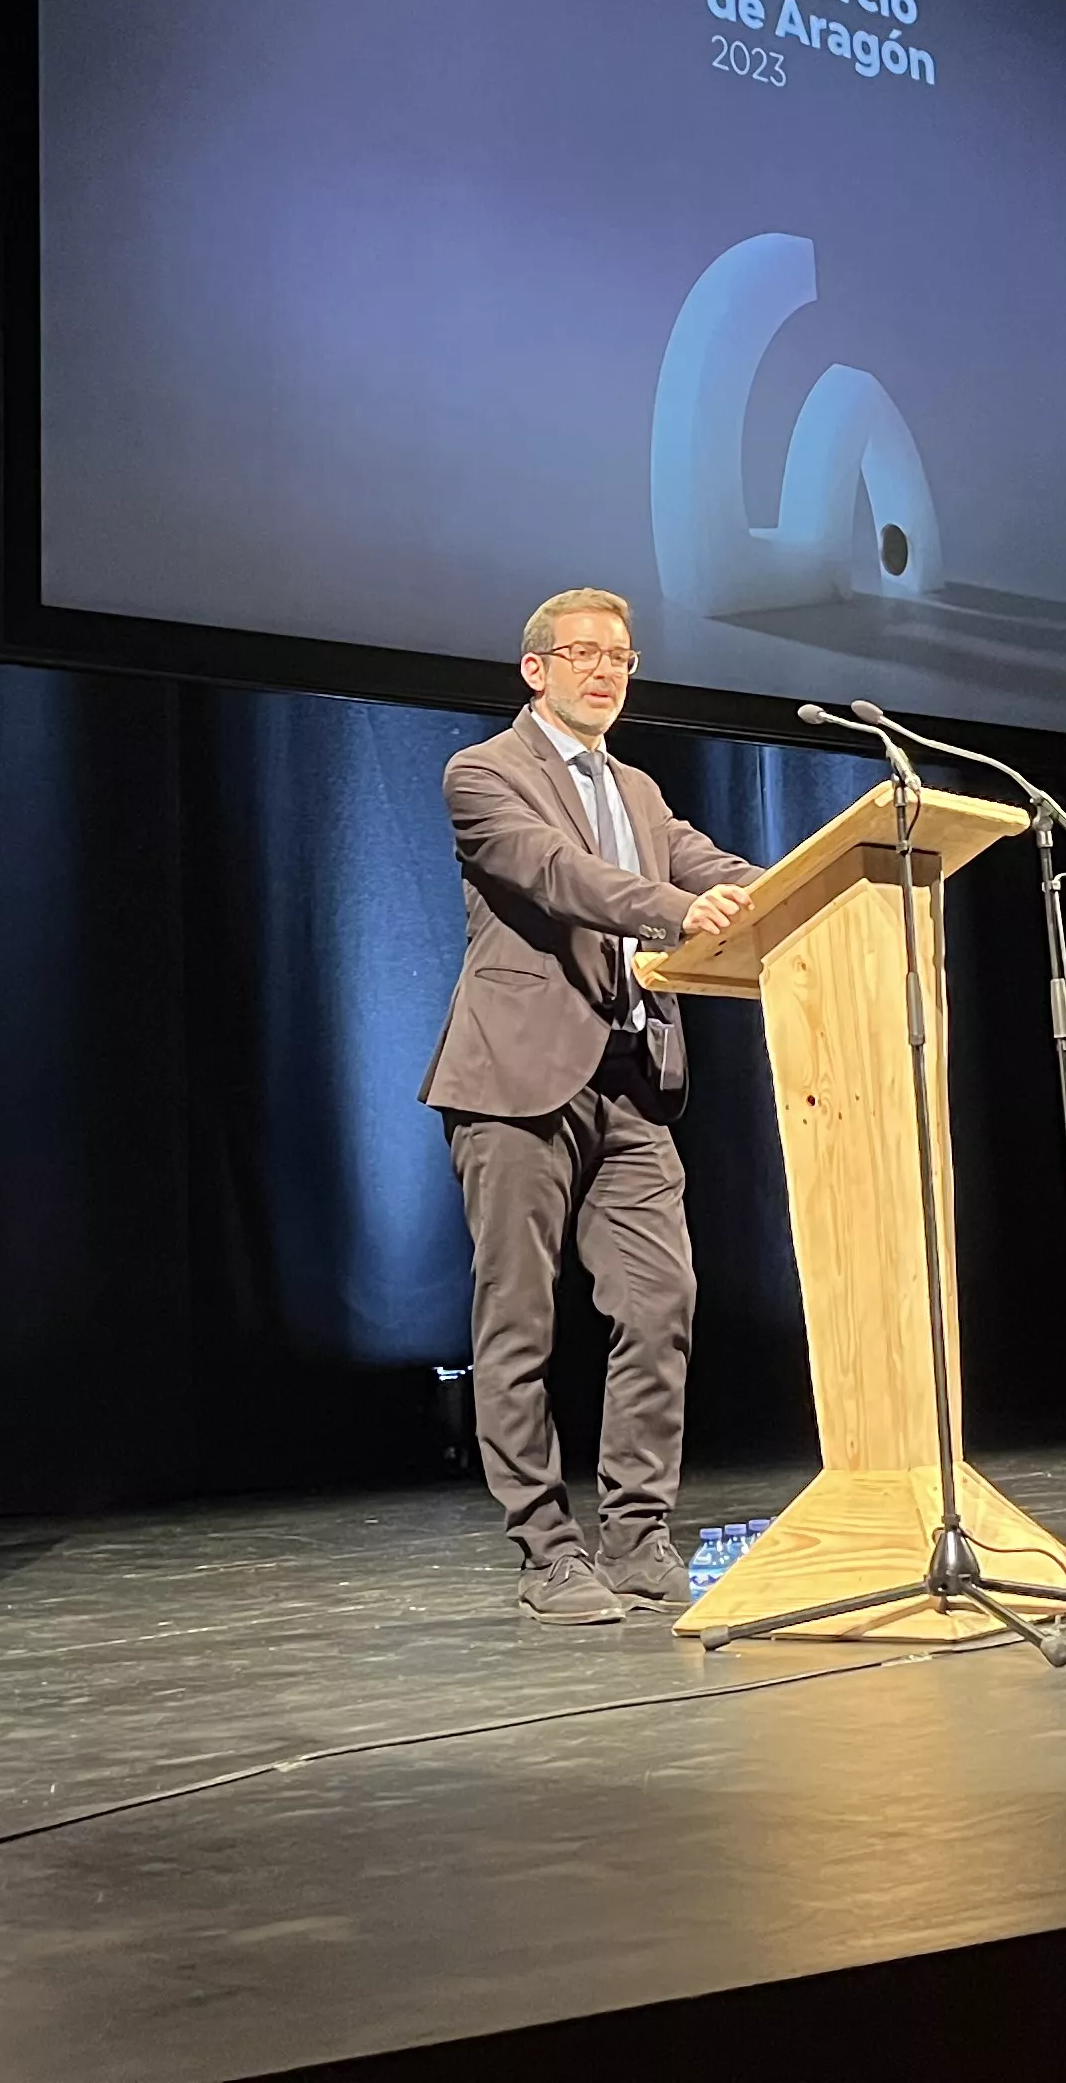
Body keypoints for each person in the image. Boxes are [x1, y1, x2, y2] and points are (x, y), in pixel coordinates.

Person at [424, 586, 758, 1623]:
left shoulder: (645, 795)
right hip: (516, 1082)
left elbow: (723, 874)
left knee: (661, 1303)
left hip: (634, 1080)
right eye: (583, 655)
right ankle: (545, 1550)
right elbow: (560, 876)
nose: (606, 671)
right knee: (519, 1322)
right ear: (537, 670)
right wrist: (678, 909)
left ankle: (639, 1536)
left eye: (621, 657)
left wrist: (825, 890)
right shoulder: (483, 775)